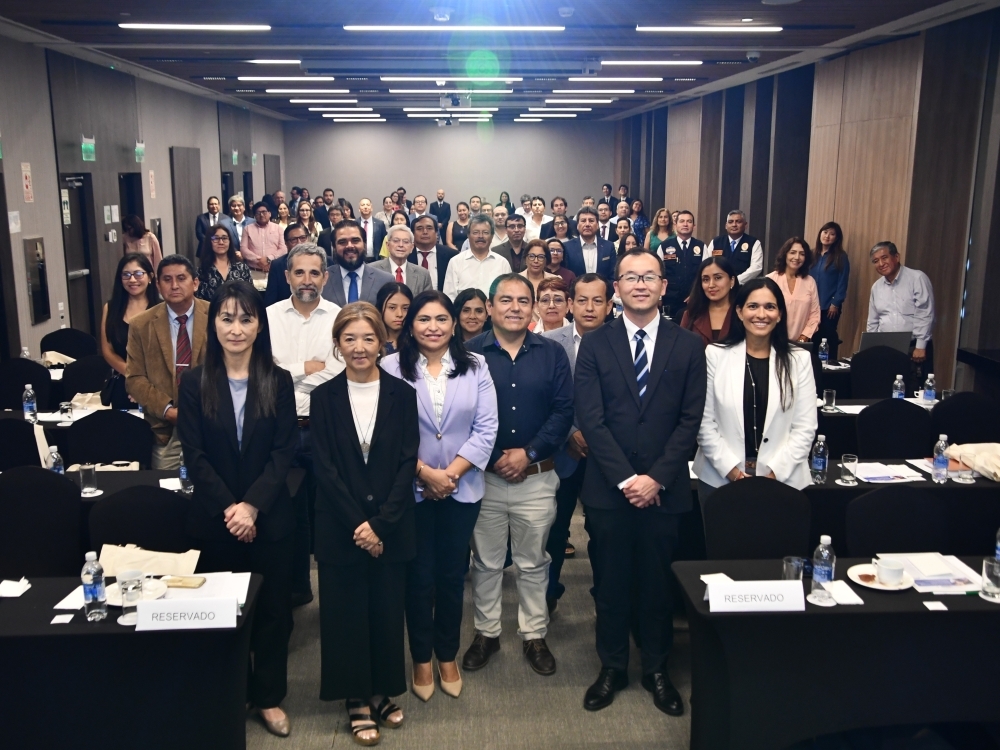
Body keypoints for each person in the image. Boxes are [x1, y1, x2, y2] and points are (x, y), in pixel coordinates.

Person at [574, 249, 707, 716]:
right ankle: (612, 667)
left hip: (665, 491)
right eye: (630, 277)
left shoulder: (688, 345)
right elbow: (591, 420)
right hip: (609, 489)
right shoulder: (595, 344)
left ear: (664, 286)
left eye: (649, 276)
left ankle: (656, 669)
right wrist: (629, 479)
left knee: (656, 585)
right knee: (610, 584)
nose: (640, 284)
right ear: (617, 288)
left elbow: (690, 420)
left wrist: (656, 479)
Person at [176, 280, 298, 738]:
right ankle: (232, 691)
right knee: (221, 612)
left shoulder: (278, 381)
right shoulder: (195, 383)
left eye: (246, 319)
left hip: (269, 517)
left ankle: (268, 697)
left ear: (259, 325)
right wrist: (232, 508)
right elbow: (194, 455)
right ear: (214, 324)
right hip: (216, 519)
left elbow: (284, 452)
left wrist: (252, 506)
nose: (236, 328)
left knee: (273, 613)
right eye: (227, 318)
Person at [381, 290, 498, 702]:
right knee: (418, 577)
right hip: (409, 490)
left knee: (451, 576)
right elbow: (386, 432)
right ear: (410, 324)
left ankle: (446, 655)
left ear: (454, 324)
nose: (433, 327)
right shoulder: (390, 366)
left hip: (461, 489)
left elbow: (486, 429)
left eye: (441, 319)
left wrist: (449, 475)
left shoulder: (476, 365)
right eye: (424, 319)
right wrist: (424, 473)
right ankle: (421, 658)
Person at [311, 302, 418, 745]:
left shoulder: (402, 394)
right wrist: (361, 524)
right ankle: (355, 695)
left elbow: (407, 462)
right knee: (345, 614)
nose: (359, 347)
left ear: (382, 342)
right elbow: (324, 467)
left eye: (368, 338)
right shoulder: (323, 397)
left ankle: (381, 690)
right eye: (349, 338)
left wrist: (381, 524)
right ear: (338, 343)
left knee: (386, 611)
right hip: (342, 527)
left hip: (390, 526)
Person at [462, 274, 574, 678]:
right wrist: (495, 458)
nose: (514, 307)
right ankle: (487, 633)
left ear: (534, 308)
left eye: (523, 301)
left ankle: (534, 634)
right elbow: (459, 413)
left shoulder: (552, 353)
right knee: (486, 562)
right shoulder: (468, 354)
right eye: (505, 300)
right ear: (490, 307)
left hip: (537, 477)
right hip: (483, 477)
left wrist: (527, 453)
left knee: (533, 562)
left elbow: (563, 411)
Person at [267, 242, 345, 607]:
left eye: (315, 273)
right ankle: (297, 587)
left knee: (328, 511)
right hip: (279, 430)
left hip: (322, 429)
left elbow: (339, 372)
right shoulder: (268, 317)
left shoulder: (339, 317)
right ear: (287, 276)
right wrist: (305, 368)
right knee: (286, 514)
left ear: (326, 277)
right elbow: (263, 372)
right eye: (299, 272)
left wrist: (286, 376)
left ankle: (334, 595)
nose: (307, 279)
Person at [694, 277, 818, 497]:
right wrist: (735, 474)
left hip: (783, 480)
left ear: (780, 314)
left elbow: (805, 427)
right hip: (720, 478)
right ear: (739, 312)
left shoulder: (799, 359)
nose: (761, 314)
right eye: (753, 306)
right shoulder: (715, 354)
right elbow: (704, 424)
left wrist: (772, 477)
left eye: (770, 307)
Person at [541, 273, 613, 613]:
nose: (589, 307)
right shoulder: (549, 343)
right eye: (582, 300)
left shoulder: (622, 343)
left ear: (609, 306)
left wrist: (596, 437)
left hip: (606, 455)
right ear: (570, 304)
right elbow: (543, 397)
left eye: (597, 300)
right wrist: (570, 432)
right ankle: (547, 594)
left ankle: (605, 598)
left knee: (603, 532)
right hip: (561, 451)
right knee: (554, 529)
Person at [126, 255, 210, 469]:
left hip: (213, 424)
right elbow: (135, 379)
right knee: (167, 488)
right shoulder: (141, 325)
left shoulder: (217, 316)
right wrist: (168, 411)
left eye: (181, 278)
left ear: (195, 283)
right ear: (157, 285)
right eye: (167, 279)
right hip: (166, 430)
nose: (174, 286)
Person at [866, 241, 936, 381]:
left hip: (913, 348)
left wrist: (920, 346)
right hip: (886, 349)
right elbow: (873, 321)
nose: (881, 264)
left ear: (896, 257)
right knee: (885, 387)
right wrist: (871, 349)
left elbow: (925, 313)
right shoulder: (876, 287)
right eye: (876, 261)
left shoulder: (917, 278)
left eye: (884, 258)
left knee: (913, 389)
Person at [101, 253, 159, 410]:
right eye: (126, 275)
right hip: (123, 382)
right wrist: (134, 378)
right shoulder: (111, 308)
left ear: (150, 277)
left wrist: (144, 384)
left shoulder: (162, 308)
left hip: (158, 385)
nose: (132, 280)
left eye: (138, 274)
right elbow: (108, 350)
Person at [322, 219, 394, 308]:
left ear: (364, 244)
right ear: (334, 247)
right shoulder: (322, 280)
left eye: (355, 240)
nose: (349, 246)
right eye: (342, 242)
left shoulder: (385, 280)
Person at [442, 215, 512, 301]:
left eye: (485, 232)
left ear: (492, 236)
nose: (480, 236)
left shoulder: (502, 263)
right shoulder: (455, 262)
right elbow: (449, 297)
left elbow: (509, 295)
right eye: (475, 232)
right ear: (468, 235)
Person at [766, 237, 821, 343]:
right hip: (772, 341)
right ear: (785, 254)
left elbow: (815, 314)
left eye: (802, 254)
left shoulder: (810, 281)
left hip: (800, 343)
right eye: (793, 252)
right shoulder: (770, 279)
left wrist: (803, 338)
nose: (797, 257)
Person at [810, 221, 850, 360]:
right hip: (811, 305)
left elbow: (842, 282)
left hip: (829, 306)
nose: (827, 236)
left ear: (836, 238)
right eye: (825, 232)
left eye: (832, 234)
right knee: (812, 337)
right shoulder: (811, 254)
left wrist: (836, 303)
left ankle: (828, 367)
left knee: (827, 337)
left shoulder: (840, 256)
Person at [657, 209, 705, 321]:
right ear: (675, 225)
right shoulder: (664, 246)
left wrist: (697, 294)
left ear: (694, 226)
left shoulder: (701, 247)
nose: (685, 224)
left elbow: (705, 274)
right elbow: (657, 273)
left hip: (693, 300)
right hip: (669, 299)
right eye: (682, 221)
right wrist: (659, 297)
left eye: (689, 221)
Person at [680, 257, 740, 346]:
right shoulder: (691, 314)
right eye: (706, 279)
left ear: (732, 281)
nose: (711, 285)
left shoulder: (742, 314)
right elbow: (681, 349)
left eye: (718, 278)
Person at [195, 224, 252, 302]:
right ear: (209, 242)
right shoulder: (202, 270)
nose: (221, 242)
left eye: (224, 238)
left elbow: (250, 296)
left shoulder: (242, 268)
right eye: (216, 238)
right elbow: (199, 301)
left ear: (229, 241)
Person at [705, 210, 763, 284]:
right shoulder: (715, 242)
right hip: (718, 285)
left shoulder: (754, 243)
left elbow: (756, 267)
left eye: (738, 222)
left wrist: (735, 281)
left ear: (745, 225)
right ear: (726, 225)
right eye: (730, 222)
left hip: (742, 286)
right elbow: (707, 264)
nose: (734, 225)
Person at [373, 224, 433, 294]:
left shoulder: (423, 274)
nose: (401, 245)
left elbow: (428, 300)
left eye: (406, 242)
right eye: (396, 241)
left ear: (412, 247)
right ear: (388, 245)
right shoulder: (373, 270)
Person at [264, 224, 312, 308]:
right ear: (286, 243)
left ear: (309, 238)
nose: (299, 243)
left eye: (303, 238)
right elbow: (270, 300)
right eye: (293, 240)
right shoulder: (277, 265)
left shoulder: (325, 261)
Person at [563, 206, 616, 279]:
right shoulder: (567, 247)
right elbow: (566, 276)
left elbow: (613, 275)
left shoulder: (609, 246)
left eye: (591, 221)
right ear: (577, 225)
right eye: (583, 221)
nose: (587, 224)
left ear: (597, 225)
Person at [409, 215, 458, 292]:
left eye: (429, 228)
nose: (425, 232)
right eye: (419, 228)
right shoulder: (406, 256)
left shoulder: (452, 256)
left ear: (436, 233)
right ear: (413, 234)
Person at [243, 202, 286, 273]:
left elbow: (283, 249)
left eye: (264, 212)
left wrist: (268, 259)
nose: (261, 215)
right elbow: (243, 249)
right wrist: (258, 260)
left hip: (274, 271)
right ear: (254, 215)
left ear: (270, 213)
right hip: (254, 272)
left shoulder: (278, 229)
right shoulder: (247, 229)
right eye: (258, 213)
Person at [376, 281, 413, 355]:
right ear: (380, 308)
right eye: (392, 307)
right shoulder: (372, 342)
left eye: (405, 308)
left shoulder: (418, 343)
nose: (399, 314)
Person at [357, 198, 387, 263]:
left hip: (376, 259)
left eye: (368, 205)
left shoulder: (380, 224)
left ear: (372, 208)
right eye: (363, 205)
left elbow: (384, 242)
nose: (365, 207)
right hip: (359, 259)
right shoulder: (354, 224)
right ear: (359, 209)